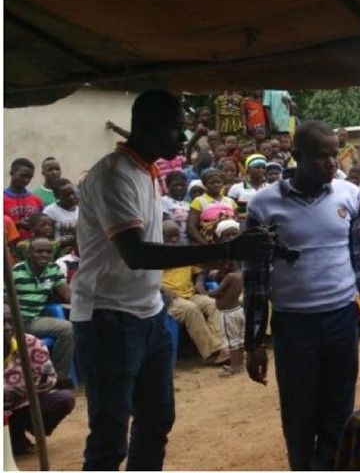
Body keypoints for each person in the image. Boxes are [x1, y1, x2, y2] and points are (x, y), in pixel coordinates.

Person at [72, 89, 275, 470]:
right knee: (110, 437)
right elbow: (138, 254)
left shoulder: (146, 172)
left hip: (147, 316)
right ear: (147, 127)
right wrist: (227, 251)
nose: (182, 138)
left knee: (155, 422)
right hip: (107, 319)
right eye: (175, 129)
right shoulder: (113, 175)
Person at [244, 120, 360, 471]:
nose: (331, 163)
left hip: (341, 320)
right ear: (297, 156)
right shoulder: (262, 205)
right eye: (320, 156)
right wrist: (253, 341)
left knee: (339, 411)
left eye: (333, 154)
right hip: (293, 326)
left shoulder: (350, 196)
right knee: (298, 415)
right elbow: (256, 278)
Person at [4, 301, 77, 456]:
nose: (7, 327)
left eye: (10, 321)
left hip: (22, 403)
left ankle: (17, 435)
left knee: (63, 398)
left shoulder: (30, 343)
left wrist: (33, 388)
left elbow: (49, 377)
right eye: (1, 322)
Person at [160, 220, 230, 366]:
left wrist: (199, 284)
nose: (174, 240)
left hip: (190, 295)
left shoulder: (183, 252)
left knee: (213, 304)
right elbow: (153, 282)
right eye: (169, 236)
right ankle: (213, 351)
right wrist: (167, 291)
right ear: (161, 236)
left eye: (176, 236)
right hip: (170, 299)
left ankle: (221, 347)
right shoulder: (157, 256)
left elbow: (197, 273)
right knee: (191, 310)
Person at [10, 236, 75, 387]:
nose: (45, 255)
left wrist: (83, 301)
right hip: (12, 323)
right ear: (29, 254)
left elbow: (67, 294)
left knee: (67, 329)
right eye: (39, 251)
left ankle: (59, 379)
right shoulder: (16, 271)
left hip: (33, 320)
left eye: (48, 252)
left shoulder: (53, 269)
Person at [208, 220, 245, 377]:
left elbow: (217, 293)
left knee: (232, 341)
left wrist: (210, 292)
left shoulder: (229, 277)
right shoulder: (239, 275)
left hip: (227, 313)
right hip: (238, 310)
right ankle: (240, 364)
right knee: (240, 339)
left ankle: (235, 366)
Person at [187, 168, 235, 244]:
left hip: (232, 237)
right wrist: (205, 245)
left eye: (218, 182)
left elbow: (238, 222)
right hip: (211, 238)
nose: (216, 185)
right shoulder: (199, 201)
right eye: (212, 183)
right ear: (205, 184)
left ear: (222, 183)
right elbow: (191, 227)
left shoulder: (230, 200)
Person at [6, 158, 44, 240]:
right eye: (23, 176)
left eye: (30, 177)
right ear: (12, 173)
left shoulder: (36, 200)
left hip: (33, 248)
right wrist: (16, 225)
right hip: (9, 247)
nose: (26, 180)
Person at [227, 154, 269, 221]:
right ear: (248, 169)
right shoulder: (236, 188)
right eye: (257, 167)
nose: (261, 170)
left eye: (263, 168)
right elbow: (229, 208)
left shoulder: (269, 188)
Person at [44, 179, 80, 243]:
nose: (71, 197)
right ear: (57, 196)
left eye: (72, 193)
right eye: (66, 195)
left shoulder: (81, 208)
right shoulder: (49, 212)